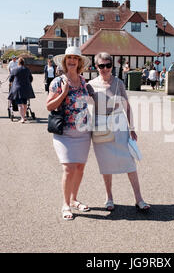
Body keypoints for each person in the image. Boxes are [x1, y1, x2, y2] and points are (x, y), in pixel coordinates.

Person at [87, 52, 150, 212]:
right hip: (100, 126)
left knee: (129, 162)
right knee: (105, 164)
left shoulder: (119, 83)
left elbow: (127, 107)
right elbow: (83, 106)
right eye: (102, 66)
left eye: (108, 65)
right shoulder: (90, 85)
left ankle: (139, 199)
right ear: (96, 67)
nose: (105, 68)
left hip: (119, 125)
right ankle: (109, 198)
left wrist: (132, 127)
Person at [46, 47, 92, 221]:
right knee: (68, 168)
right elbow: (49, 106)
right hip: (64, 132)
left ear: (79, 62)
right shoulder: (58, 82)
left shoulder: (83, 81)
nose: (72, 61)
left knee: (79, 168)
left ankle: (74, 199)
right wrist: (64, 93)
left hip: (83, 133)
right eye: (69, 58)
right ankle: (65, 204)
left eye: (75, 58)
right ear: (64, 62)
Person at [8, 57, 36, 123]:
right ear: (24, 63)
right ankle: (24, 117)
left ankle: (22, 118)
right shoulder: (27, 69)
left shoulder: (14, 69)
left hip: (17, 88)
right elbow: (31, 78)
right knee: (25, 103)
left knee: (20, 104)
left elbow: (10, 79)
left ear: (18, 62)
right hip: (26, 88)